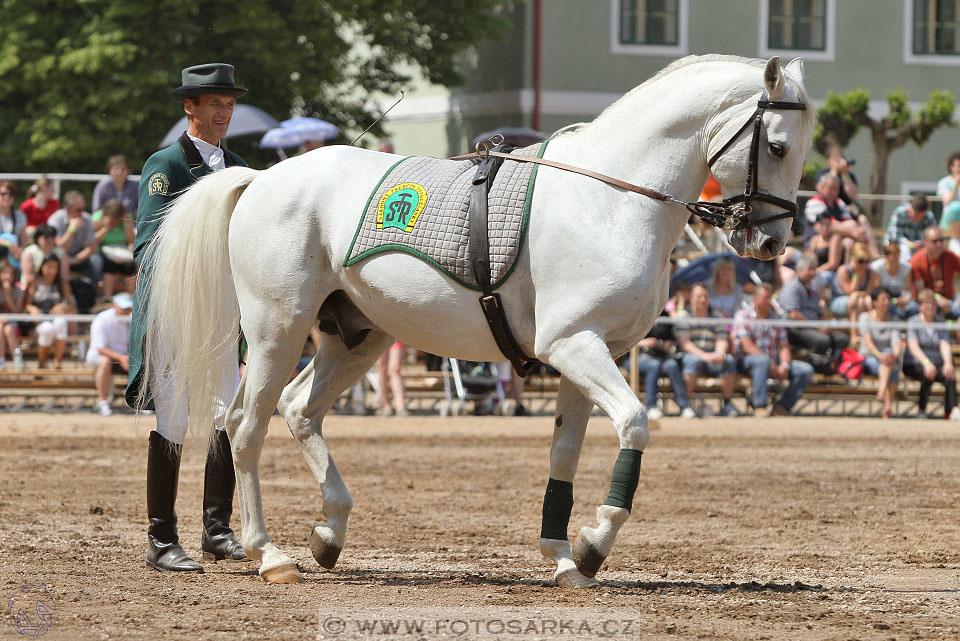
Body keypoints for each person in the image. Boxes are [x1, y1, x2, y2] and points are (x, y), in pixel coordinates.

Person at [127, 63, 250, 572]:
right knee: (174, 418)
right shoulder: (166, 166)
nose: (224, 112)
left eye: (228, 103)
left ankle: (217, 530)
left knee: (228, 415)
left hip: (223, 313)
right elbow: (148, 246)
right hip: (177, 311)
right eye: (214, 103)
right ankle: (161, 538)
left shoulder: (240, 167)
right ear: (190, 108)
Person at [734, 282, 814, 416]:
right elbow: (747, 346)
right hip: (747, 362)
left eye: (770, 298)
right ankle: (759, 405)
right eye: (765, 298)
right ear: (755, 299)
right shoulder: (743, 315)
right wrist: (770, 362)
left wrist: (785, 365)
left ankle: (782, 406)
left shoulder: (776, 317)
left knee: (806, 370)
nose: (768, 302)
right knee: (762, 362)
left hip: (772, 362)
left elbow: (783, 345)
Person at [676, 283, 739, 417]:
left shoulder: (717, 318)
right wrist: (704, 355)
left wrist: (720, 353)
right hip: (692, 356)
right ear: (692, 298)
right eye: (699, 296)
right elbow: (685, 344)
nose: (703, 300)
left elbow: (722, 339)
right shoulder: (684, 318)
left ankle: (727, 404)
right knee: (693, 361)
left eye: (705, 296)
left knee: (728, 360)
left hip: (712, 357)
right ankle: (685, 405)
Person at [779, 255, 850, 373]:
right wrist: (818, 327)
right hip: (794, 328)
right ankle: (813, 367)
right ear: (799, 270)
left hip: (813, 327)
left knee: (842, 339)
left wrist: (823, 324)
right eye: (809, 269)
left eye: (814, 269)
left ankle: (835, 367)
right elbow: (794, 315)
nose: (812, 273)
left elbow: (818, 311)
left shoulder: (813, 289)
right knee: (822, 340)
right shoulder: (792, 288)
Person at [903, 289, 960, 420]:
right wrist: (926, 363)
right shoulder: (913, 322)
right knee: (928, 373)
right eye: (927, 303)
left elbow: (944, 344)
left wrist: (947, 363)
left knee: (949, 374)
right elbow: (913, 346)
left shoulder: (940, 322)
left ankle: (952, 410)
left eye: (933, 303)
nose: (930, 306)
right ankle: (921, 410)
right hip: (915, 363)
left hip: (936, 362)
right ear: (920, 306)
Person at [629, 311, 695, 423]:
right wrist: (642, 342)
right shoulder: (637, 312)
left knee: (672, 365)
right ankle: (651, 406)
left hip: (661, 357)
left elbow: (672, 339)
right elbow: (624, 339)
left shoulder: (665, 315)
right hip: (637, 357)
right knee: (653, 366)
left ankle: (684, 406)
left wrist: (667, 344)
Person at [804, 172, 878, 257]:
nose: (834, 192)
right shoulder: (814, 202)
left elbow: (848, 221)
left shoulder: (839, 202)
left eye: (836, 189)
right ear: (822, 187)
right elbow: (828, 226)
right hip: (818, 242)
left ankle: (874, 256)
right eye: (831, 188)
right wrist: (854, 232)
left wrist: (858, 230)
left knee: (862, 220)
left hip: (836, 239)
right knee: (850, 237)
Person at [86, 293, 133, 416]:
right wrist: (121, 357)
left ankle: (141, 402)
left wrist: (128, 357)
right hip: (101, 356)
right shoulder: (102, 319)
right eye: (123, 308)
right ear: (114, 306)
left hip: (124, 356)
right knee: (105, 361)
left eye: (128, 308)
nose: (126, 311)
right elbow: (100, 348)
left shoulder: (132, 318)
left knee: (141, 364)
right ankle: (103, 401)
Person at [24, 256, 75, 369]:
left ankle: (57, 360)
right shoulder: (34, 282)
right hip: (39, 321)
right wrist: (32, 309)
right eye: (48, 267)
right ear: (42, 267)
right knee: (47, 329)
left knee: (60, 323)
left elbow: (71, 306)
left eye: (54, 267)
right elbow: (26, 304)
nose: (51, 270)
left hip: (56, 320)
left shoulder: (62, 284)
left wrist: (62, 305)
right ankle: (42, 364)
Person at [859, 287, 901, 419]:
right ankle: (888, 407)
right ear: (875, 302)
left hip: (887, 359)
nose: (887, 302)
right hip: (869, 357)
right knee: (891, 367)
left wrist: (893, 355)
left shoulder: (894, 319)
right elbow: (868, 342)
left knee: (890, 360)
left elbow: (896, 344)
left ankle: (882, 392)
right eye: (883, 299)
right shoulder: (864, 317)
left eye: (888, 299)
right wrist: (881, 356)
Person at [48, 191, 102, 286]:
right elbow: (59, 245)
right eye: (78, 209)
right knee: (61, 258)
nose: (82, 213)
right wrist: (72, 230)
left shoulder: (87, 219)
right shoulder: (55, 219)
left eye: (83, 209)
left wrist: (74, 260)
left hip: (78, 256)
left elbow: (93, 248)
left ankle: (93, 293)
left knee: (96, 260)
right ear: (68, 208)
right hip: (60, 256)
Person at [910, 226, 960, 319]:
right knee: (912, 309)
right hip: (925, 303)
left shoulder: (949, 255)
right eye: (935, 241)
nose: (939, 244)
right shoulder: (916, 260)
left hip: (949, 302)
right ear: (925, 242)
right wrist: (937, 298)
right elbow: (921, 290)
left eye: (941, 240)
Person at [91, 199, 136, 299]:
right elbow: (92, 241)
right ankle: (108, 297)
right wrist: (106, 228)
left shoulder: (126, 218)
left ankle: (132, 298)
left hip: (121, 253)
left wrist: (126, 225)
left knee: (130, 267)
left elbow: (132, 240)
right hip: (103, 253)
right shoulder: (97, 217)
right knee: (109, 266)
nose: (115, 223)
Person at [829, 242, 880, 327]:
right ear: (853, 259)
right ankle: (856, 335)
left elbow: (869, 292)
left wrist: (857, 294)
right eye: (860, 261)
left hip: (858, 301)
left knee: (863, 301)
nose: (864, 265)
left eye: (866, 261)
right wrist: (856, 274)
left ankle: (861, 334)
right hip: (838, 301)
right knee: (860, 302)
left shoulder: (871, 272)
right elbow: (850, 291)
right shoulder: (843, 270)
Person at [870, 239, 915, 319]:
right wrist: (893, 301)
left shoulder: (906, 267)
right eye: (894, 257)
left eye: (898, 255)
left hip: (901, 298)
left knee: (914, 308)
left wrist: (904, 300)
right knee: (894, 310)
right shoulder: (877, 267)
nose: (896, 259)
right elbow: (877, 292)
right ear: (886, 256)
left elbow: (908, 291)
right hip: (884, 300)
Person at [883, 193, 937, 257]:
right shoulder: (900, 213)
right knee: (904, 250)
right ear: (910, 208)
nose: (918, 218)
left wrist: (921, 243)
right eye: (916, 215)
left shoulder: (929, 217)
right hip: (899, 245)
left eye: (921, 216)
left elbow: (934, 237)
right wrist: (910, 244)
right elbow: (895, 236)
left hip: (920, 247)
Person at [20, 225, 69, 289]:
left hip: (54, 288)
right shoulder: (29, 252)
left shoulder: (61, 253)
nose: (50, 240)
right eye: (46, 237)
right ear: (38, 238)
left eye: (52, 237)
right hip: (31, 288)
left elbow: (64, 277)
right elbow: (29, 278)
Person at [0, 261, 25, 367]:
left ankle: (17, 359)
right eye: (5, 273)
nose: (8, 276)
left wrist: (8, 295)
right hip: (0, 323)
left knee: (9, 329)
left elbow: (16, 311)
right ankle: (1, 360)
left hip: (14, 324)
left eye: (10, 273)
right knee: (0, 327)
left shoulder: (18, 290)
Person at [375, 341, 409, 416]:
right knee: (382, 368)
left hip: (397, 335)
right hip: (380, 334)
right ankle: (386, 405)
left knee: (395, 368)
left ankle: (400, 406)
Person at [937, 151, 960, 255]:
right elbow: (948, 201)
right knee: (955, 207)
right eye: (959, 166)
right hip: (949, 224)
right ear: (951, 167)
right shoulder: (944, 182)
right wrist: (955, 184)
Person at [0, 182, 28, 266]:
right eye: (3, 194)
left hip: (13, 257)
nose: (7, 197)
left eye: (10, 194)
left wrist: (20, 251)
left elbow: (24, 240)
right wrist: (8, 244)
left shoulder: (20, 215)